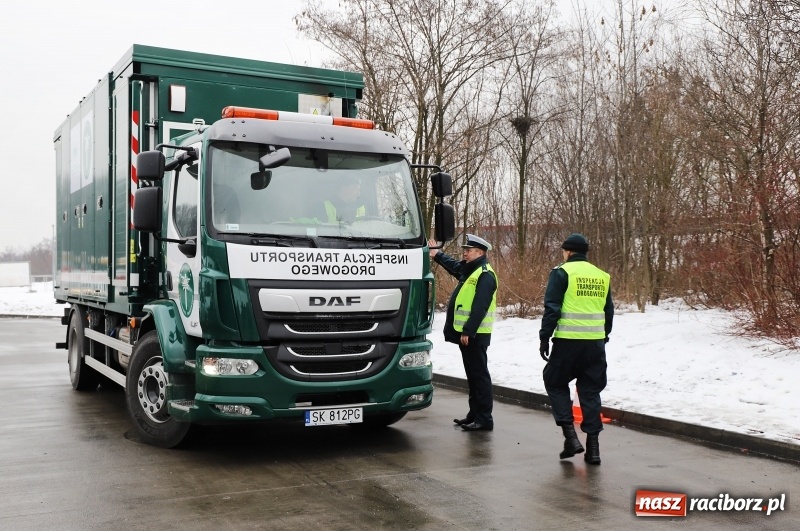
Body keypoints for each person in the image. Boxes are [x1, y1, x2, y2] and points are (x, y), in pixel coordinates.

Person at [539, 233, 613, 464]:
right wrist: (604, 335)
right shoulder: (602, 276)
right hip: (595, 344)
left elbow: (552, 308)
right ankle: (594, 449)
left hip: (568, 342)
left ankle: (571, 438)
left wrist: (544, 337)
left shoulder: (561, 272)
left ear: (568, 252)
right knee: (590, 391)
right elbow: (608, 311)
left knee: (554, 381)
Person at [429, 234, 498, 431]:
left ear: (481, 253)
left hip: (475, 334)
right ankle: (474, 415)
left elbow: (480, 306)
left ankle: (484, 419)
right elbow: (455, 267)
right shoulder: (471, 271)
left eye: (469, 250)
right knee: (473, 376)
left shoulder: (484, 274)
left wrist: (469, 330)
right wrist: (437, 255)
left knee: (480, 376)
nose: (465, 253)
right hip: (467, 334)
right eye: (465, 250)